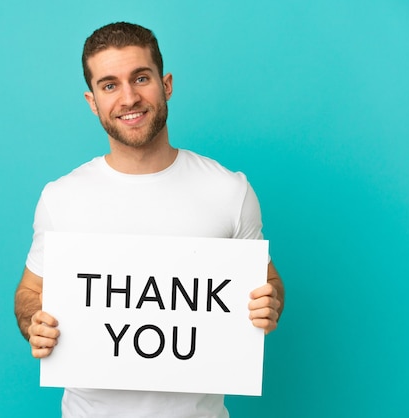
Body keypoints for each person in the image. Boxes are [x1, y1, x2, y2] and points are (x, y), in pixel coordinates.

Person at [14, 21, 285, 418]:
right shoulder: (62, 198)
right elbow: (29, 292)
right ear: (92, 101)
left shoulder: (229, 191)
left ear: (166, 84)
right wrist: (33, 322)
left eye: (141, 78)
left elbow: (269, 283)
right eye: (109, 85)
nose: (128, 97)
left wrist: (269, 304)